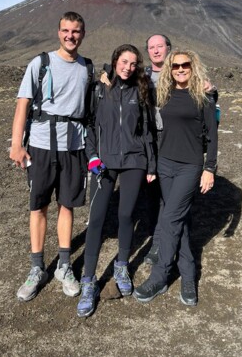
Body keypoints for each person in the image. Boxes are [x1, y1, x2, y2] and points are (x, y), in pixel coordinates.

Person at [9, 11, 91, 302]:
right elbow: (23, 105)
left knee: (67, 205)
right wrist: (16, 145)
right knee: (39, 206)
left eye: (76, 31)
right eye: (66, 30)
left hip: (74, 148)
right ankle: (36, 269)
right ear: (59, 32)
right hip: (42, 146)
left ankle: (64, 266)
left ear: (83, 34)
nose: (71, 36)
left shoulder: (87, 68)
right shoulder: (40, 63)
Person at [76, 44, 157, 318]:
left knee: (125, 215)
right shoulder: (100, 89)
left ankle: (122, 265)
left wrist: (151, 163)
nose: (128, 67)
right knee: (96, 219)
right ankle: (89, 281)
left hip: (134, 161)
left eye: (133, 64)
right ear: (114, 61)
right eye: (124, 62)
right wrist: (92, 157)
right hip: (105, 162)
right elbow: (88, 125)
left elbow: (146, 131)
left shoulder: (141, 91)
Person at [133, 50, 218, 307]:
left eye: (186, 65)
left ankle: (159, 277)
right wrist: (106, 76)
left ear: (193, 67)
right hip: (165, 164)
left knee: (170, 218)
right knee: (178, 221)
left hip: (189, 167)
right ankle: (189, 276)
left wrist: (209, 168)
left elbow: (213, 136)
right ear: (169, 69)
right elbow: (135, 92)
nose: (180, 69)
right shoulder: (163, 94)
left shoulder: (203, 96)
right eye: (176, 65)